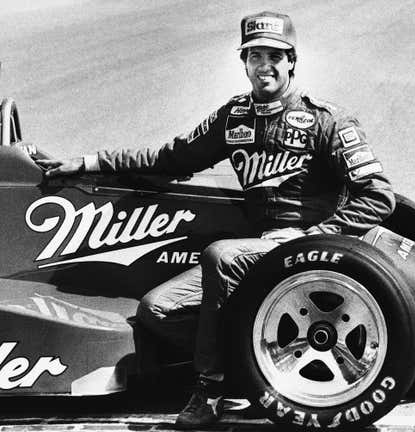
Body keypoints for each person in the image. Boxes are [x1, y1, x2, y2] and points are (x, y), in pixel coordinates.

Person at [37, 11, 395, 428]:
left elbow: (379, 195)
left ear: (292, 61)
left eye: (275, 56)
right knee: (158, 310)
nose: (265, 66)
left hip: (310, 256)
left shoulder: (326, 120)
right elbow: (170, 159)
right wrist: (87, 163)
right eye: (255, 56)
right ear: (244, 62)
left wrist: (317, 235)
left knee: (221, 256)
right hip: (259, 251)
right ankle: (255, 369)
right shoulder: (236, 117)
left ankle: (210, 390)